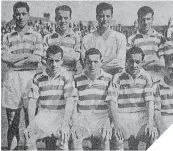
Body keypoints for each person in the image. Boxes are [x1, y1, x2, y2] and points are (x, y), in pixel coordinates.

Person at [1, 1, 44, 150]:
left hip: (30, 79)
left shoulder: (36, 36)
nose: (20, 17)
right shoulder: (7, 36)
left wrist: (15, 59)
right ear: (14, 16)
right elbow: (4, 58)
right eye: (17, 14)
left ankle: (29, 148)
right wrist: (27, 55)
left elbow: (37, 58)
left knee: (30, 118)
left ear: (28, 15)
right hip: (12, 79)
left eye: (23, 14)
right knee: (12, 121)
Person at [24, 45, 76, 150]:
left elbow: (70, 101)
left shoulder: (67, 77)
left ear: (62, 61)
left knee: (63, 139)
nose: (54, 64)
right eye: (50, 60)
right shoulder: (38, 77)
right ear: (45, 60)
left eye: (57, 61)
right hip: (43, 114)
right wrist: (31, 124)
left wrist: (65, 124)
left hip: (61, 115)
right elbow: (32, 101)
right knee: (29, 137)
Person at [71, 48, 123, 150]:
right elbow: (73, 105)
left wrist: (109, 122)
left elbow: (112, 105)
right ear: (84, 62)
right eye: (89, 62)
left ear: (101, 62)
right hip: (83, 118)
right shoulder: (76, 79)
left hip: (102, 119)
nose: (92, 65)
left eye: (95, 62)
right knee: (75, 140)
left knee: (106, 138)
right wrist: (75, 124)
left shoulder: (110, 79)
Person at [111, 46, 158, 150]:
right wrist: (116, 124)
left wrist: (150, 123)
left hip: (140, 117)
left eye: (137, 62)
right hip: (123, 116)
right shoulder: (118, 76)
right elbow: (112, 102)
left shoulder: (146, 76)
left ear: (142, 62)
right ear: (126, 61)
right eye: (131, 61)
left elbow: (150, 102)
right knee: (117, 137)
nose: (134, 65)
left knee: (153, 135)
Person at [82, 2, 127, 75]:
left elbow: (120, 63)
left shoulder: (120, 37)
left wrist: (97, 65)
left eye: (108, 16)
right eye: (102, 16)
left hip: (115, 77)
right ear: (97, 17)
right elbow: (86, 63)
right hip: (94, 77)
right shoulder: (87, 39)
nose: (105, 19)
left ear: (111, 17)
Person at [128, 6, 165, 83]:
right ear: (138, 20)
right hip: (139, 82)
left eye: (148, 19)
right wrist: (154, 61)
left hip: (157, 80)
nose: (145, 22)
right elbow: (129, 64)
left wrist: (142, 63)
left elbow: (162, 63)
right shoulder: (131, 40)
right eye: (143, 19)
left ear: (152, 20)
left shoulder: (160, 38)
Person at [44, 5, 82, 76]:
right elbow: (44, 59)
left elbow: (75, 58)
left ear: (70, 19)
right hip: (52, 77)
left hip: (70, 76)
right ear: (55, 19)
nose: (63, 21)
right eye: (60, 18)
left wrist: (54, 57)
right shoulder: (47, 38)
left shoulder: (76, 38)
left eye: (66, 18)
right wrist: (69, 54)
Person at [154, 55, 173, 136]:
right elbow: (157, 112)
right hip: (164, 121)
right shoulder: (157, 86)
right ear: (165, 69)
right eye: (170, 68)